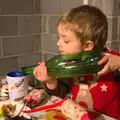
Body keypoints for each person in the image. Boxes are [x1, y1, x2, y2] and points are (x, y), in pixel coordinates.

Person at [33, 5, 120, 119]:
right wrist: (51, 81)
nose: (58, 44)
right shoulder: (69, 62)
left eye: (66, 40)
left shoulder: (112, 61)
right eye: (58, 38)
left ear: (87, 46)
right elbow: (62, 95)